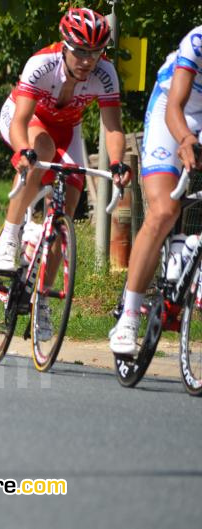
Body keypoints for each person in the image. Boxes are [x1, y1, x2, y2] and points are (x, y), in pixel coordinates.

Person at [0, 8, 131, 340]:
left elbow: (113, 127)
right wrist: (23, 152)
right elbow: (20, 120)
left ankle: (43, 301)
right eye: (80, 51)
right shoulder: (42, 64)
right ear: (65, 45)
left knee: (68, 203)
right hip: (26, 120)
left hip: (68, 129)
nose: (87, 60)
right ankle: (9, 239)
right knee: (42, 153)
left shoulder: (106, 73)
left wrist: (117, 164)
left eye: (95, 52)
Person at [109, 25, 202, 355]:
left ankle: (183, 251)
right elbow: (175, 107)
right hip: (173, 112)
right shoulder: (196, 40)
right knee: (164, 210)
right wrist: (186, 140)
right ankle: (129, 315)